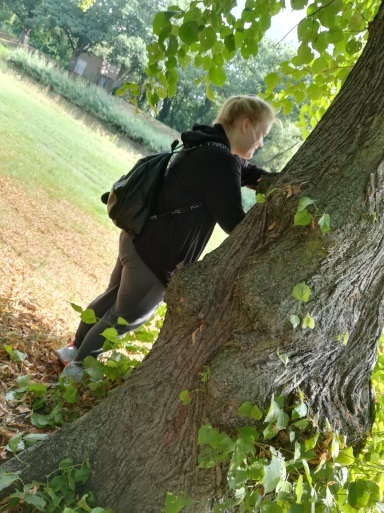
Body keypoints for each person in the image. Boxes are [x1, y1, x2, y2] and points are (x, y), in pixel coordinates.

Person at [56, 95, 276, 380]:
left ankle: (72, 352)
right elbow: (234, 221)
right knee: (126, 316)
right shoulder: (219, 159)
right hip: (156, 256)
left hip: (138, 238)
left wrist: (274, 181)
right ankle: (78, 370)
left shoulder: (205, 143)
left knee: (112, 301)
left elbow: (246, 171)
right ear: (246, 125)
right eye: (263, 135)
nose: (261, 143)